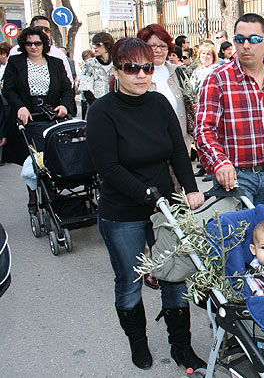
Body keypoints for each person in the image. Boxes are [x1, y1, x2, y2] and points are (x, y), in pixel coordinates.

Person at [86, 37, 206, 372]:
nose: (141, 75)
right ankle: (138, 342)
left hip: (165, 206)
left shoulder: (158, 104)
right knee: (129, 280)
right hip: (122, 213)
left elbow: (178, 152)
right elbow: (107, 167)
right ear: (117, 70)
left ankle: (181, 347)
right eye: (132, 68)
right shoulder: (102, 112)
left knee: (175, 276)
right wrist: (146, 194)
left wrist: (191, 190)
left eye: (147, 67)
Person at [195, 13, 264, 215]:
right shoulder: (218, 79)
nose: (246, 45)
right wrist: (220, 162)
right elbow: (203, 130)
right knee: (236, 242)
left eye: (254, 39)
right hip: (234, 177)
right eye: (240, 39)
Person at [2, 26, 74, 211]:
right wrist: (20, 107)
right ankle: (33, 194)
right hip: (28, 114)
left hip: (52, 113)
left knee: (56, 152)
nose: (33, 47)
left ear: (44, 44)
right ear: (23, 45)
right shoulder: (16, 62)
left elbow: (67, 88)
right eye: (29, 43)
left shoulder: (56, 63)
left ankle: (55, 189)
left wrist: (65, 105)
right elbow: (8, 88)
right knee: (33, 157)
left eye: (37, 43)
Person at [137, 24, 192, 151]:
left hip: (180, 147)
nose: (158, 50)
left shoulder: (177, 72)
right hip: (149, 150)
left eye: (163, 46)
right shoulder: (136, 75)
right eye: (152, 46)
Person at [9, 15, 74, 85]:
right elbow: (8, 83)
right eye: (39, 28)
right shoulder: (16, 51)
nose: (43, 32)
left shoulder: (57, 53)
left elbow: (68, 81)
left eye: (46, 30)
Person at [78, 32, 114, 119]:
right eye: (93, 44)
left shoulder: (115, 63)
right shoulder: (90, 63)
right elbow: (86, 89)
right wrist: (97, 106)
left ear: (107, 45)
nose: (94, 47)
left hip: (113, 107)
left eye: (98, 44)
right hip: (95, 106)